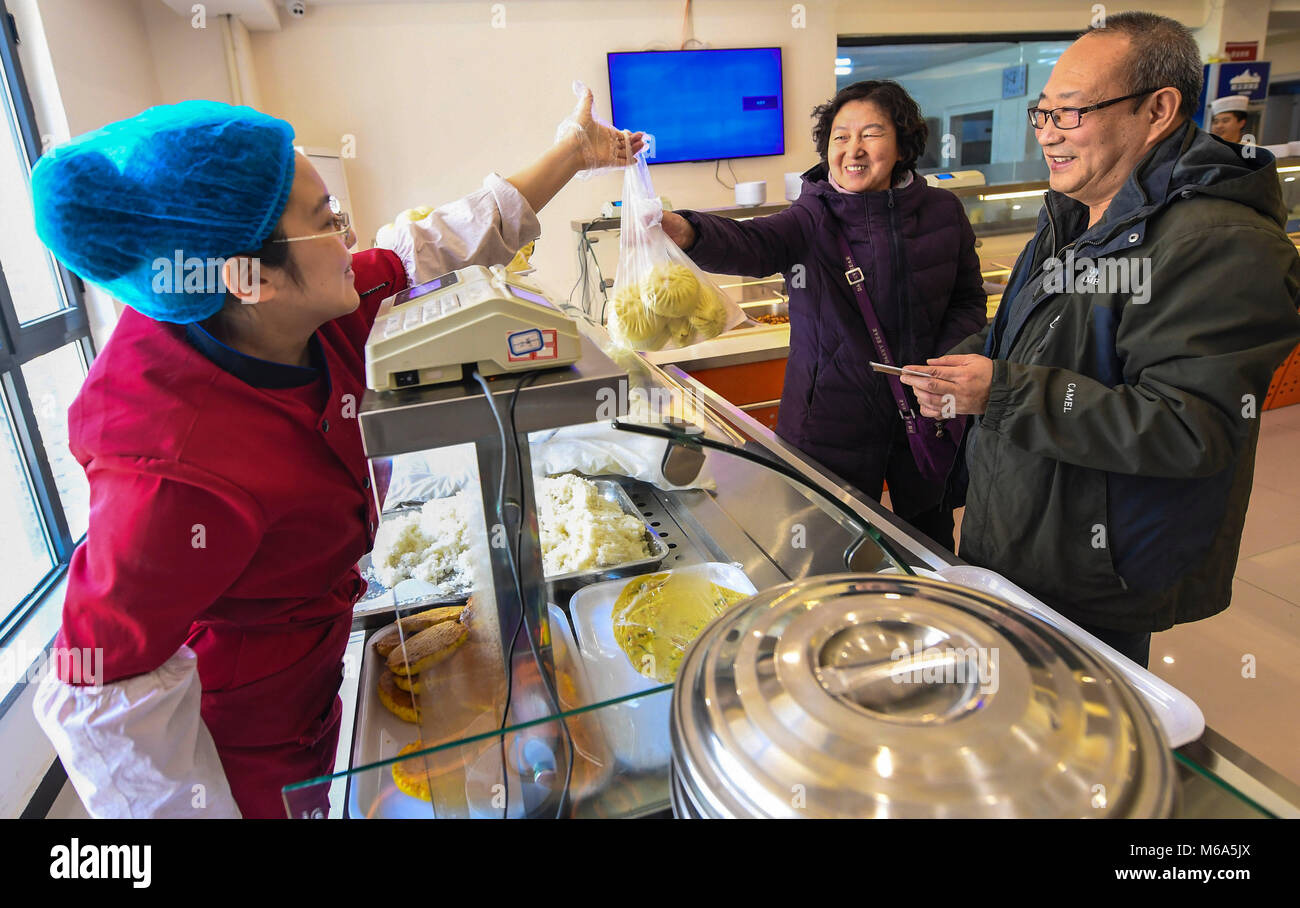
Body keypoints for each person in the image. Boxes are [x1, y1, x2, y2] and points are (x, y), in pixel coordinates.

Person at [30, 92, 642, 818]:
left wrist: (572, 153)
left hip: (320, 677)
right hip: (240, 748)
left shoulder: (301, 313)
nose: (351, 238)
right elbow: (97, 688)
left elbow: (437, 244)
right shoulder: (171, 469)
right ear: (248, 277)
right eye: (328, 224)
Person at [900, 12, 1300, 668]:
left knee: (1083, 739)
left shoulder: (1220, 244)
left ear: (1158, 109)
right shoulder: (1075, 214)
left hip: (1093, 566)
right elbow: (1029, 337)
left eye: (1072, 112)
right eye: (1042, 114)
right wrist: (962, 361)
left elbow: (1188, 427)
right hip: (1017, 535)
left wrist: (1000, 391)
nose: (1049, 134)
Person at [660, 81, 986, 550]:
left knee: (924, 542)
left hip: (924, 412)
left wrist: (938, 370)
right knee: (823, 542)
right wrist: (688, 230)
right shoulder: (811, 216)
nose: (852, 148)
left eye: (870, 133)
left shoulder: (942, 212)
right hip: (827, 420)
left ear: (902, 144)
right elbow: (752, 244)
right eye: (840, 136)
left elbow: (967, 300)